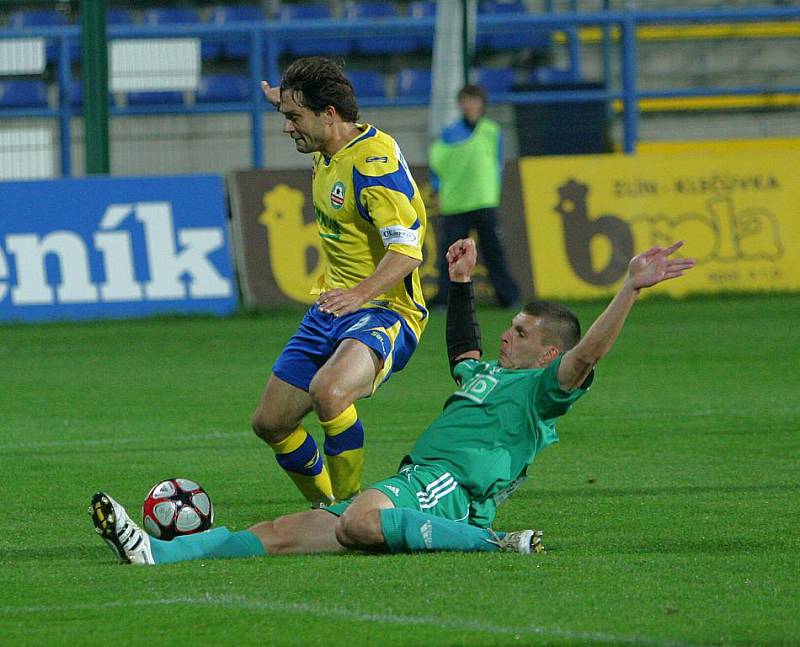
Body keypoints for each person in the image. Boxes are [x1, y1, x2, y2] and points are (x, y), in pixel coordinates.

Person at [89, 237, 694, 565]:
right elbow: (462, 349)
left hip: (447, 488)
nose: (507, 334)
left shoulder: (541, 391)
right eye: (510, 326)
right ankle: (157, 553)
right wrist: (458, 286)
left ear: (545, 356)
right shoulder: (487, 374)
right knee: (276, 532)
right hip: (419, 483)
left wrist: (629, 290)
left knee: (356, 520)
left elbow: (586, 354)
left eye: (522, 332)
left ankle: (499, 543)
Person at [253, 57, 428, 506]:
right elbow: (304, 113)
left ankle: (349, 513)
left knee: (329, 393)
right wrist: (283, 98)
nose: (287, 127)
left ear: (328, 115)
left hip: (386, 311)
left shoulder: (372, 166)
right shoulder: (328, 145)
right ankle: (327, 505)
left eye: (294, 117)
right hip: (333, 308)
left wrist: (360, 294)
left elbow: (407, 251)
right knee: (271, 422)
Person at [428, 84, 520, 309]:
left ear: (481, 103)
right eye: (467, 100)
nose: (471, 105)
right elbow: (436, 164)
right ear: (461, 104)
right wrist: (439, 187)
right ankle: (445, 299)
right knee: (449, 255)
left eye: (475, 100)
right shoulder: (449, 134)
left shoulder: (491, 131)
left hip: (483, 201)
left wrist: (492, 189)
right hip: (456, 203)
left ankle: (507, 297)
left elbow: (498, 164)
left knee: (493, 251)